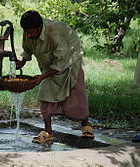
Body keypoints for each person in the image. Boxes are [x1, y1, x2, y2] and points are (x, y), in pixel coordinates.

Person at [16, 10, 94, 143]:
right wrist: (22, 62)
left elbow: (61, 61)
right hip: (50, 63)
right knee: (45, 95)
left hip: (70, 59)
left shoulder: (56, 33)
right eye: (26, 32)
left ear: (40, 28)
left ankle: (86, 124)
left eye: (31, 32)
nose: (28, 35)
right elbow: (28, 49)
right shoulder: (29, 32)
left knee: (76, 92)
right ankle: (48, 131)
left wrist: (42, 76)